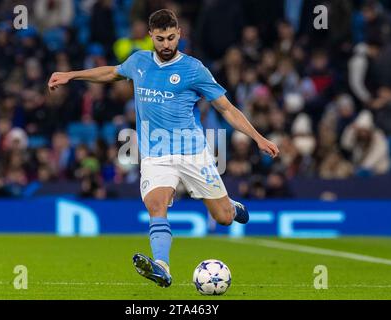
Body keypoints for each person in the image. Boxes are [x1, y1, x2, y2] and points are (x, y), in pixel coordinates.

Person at [48, 9, 279, 288]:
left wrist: (258, 138)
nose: (167, 44)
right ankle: (161, 266)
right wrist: (71, 75)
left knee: (224, 218)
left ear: (179, 33)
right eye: (160, 39)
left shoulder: (194, 69)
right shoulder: (139, 61)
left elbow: (227, 109)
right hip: (155, 155)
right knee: (156, 205)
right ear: (150, 37)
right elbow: (111, 72)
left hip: (193, 153)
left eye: (171, 37)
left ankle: (230, 205)